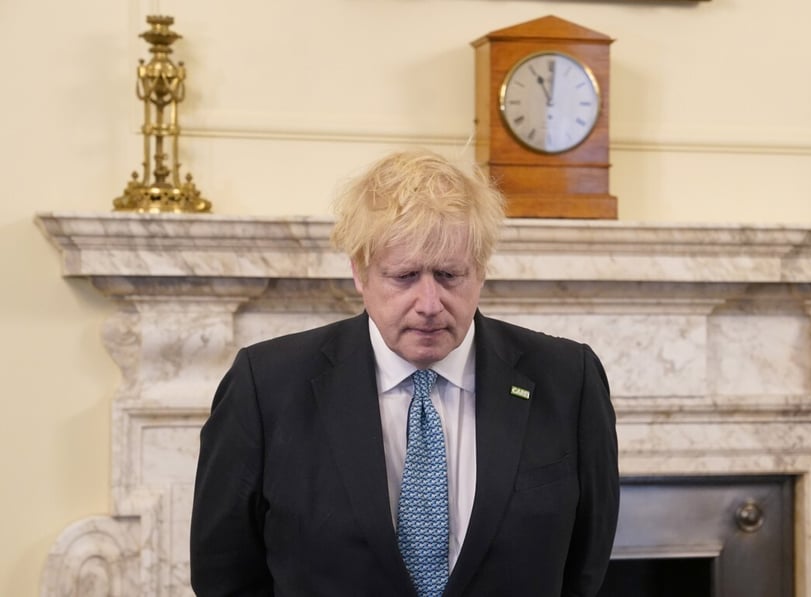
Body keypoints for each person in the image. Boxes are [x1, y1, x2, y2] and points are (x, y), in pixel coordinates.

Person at [190, 148, 620, 597]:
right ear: (360, 272)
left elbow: (585, 569)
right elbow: (224, 574)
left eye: (450, 275)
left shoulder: (569, 381)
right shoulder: (266, 386)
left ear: (481, 271)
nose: (429, 304)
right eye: (405, 276)